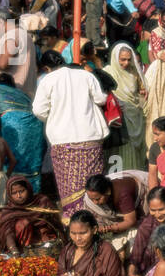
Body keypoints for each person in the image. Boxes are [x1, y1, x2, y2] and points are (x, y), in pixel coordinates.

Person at [32, 51, 108, 219]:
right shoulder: (86, 76)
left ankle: (75, 223)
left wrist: (54, 117)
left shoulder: (48, 79)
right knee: (93, 185)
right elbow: (101, 99)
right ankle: (96, 221)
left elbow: (38, 110)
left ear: (47, 68)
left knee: (69, 189)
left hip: (62, 140)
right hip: (90, 138)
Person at [0, 73, 45, 190]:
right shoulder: (22, 94)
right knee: (32, 163)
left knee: (9, 161)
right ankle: (32, 195)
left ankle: (12, 194)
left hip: (11, 124)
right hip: (35, 126)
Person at [55, 210, 126, 276]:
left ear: (94, 230)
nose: (77, 238)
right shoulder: (67, 251)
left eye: (83, 233)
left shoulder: (106, 250)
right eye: (73, 233)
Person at [102, 42, 148, 172]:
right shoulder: (108, 72)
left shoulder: (135, 72)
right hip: (118, 121)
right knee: (119, 152)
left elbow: (142, 90)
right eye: (122, 59)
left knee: (134, 152)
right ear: (116, 58)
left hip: (135, 118)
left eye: (129, 59)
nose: (126, 63)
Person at [0, 175, 61, 254]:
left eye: (21, 191)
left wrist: (47, 221)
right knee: (22, 223)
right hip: (21, 247)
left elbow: (56, 222)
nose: (19, 196)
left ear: (28, 189)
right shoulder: (9, 211)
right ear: (9, 194)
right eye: (14, 193)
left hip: (46, 241)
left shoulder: (42, 201)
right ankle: (25, 252)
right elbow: (8, 233)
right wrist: (14, 250)